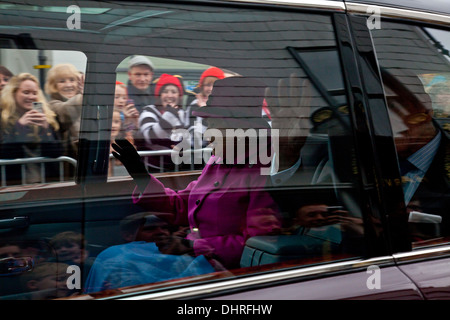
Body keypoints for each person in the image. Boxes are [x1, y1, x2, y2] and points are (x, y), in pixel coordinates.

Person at [112, 77, 282, 271]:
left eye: (213, 126)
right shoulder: (217, 161)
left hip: (218, 269)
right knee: (112, 259)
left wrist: (192, 246)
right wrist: (141, 177)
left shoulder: (262, 169)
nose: (208, 134)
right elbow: (182, 207)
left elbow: (257, 243)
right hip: (191, 257)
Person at [381, 68, 450, 239]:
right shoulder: (361, 158)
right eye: (373, 109)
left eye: (394, 106)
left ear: (425, 106)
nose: (384, 120)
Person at [84, 213, 215, 293]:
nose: (161, 232)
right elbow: (133, 292)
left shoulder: (182, 254)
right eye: (150, 229)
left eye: (164, 228)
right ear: (128, 235)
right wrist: (166, 257)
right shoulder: (116, 257)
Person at [0, 73, 63, 185]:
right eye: (26, 92)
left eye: (35, 93)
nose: (31, 97)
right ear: (13, 94)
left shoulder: (48, 117)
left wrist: (46, 130)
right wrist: (19, 128)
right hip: (14, 185)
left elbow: (57, 153)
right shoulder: (3, 118)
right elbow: (5, 154)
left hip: (46, 184)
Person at [137, 73, 186, 172]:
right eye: (165, 91)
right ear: (159, 95)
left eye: (174, 92)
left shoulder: (182, 113)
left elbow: (187, 138)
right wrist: (170, 115)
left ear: (179, 96)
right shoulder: (148, 111)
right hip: (152, 170)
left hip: (176, 170)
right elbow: (150, 136)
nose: (169, 95)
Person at [45, 63, 84, 159]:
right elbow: (66, 111)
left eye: (72, 80)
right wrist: (84, 97)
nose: (68, 85)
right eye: (62, 81)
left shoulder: (84, 102)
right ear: (53, 85)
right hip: (67, 167)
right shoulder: (51, 105)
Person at [185, 67, 225, 149]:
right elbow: (193, 139)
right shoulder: (194, 106)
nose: (211, 89)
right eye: (208, 85)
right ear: (202, 86)